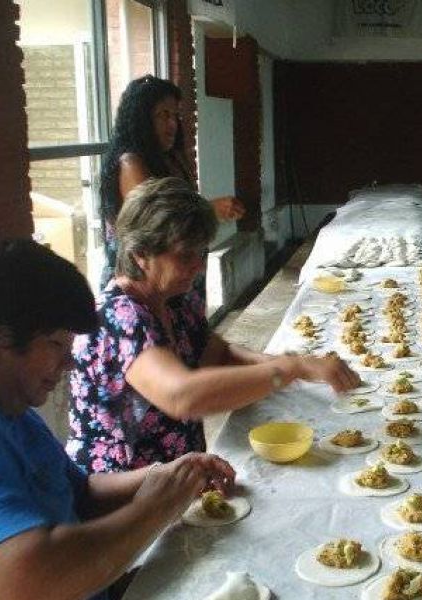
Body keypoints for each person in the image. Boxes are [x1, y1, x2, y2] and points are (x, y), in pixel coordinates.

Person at [0, 239, 236, 600]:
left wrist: (163, 476)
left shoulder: (2, 400)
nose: (70, 363)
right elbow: (18, 585)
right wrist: (157, 507)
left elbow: (78, 494)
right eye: (56, 344)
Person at [69, 176, 360, 473]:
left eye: (201, 253)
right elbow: (182, 396)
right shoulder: (119, 317)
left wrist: (297, 366)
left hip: (175, 477)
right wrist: (288, 369)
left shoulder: (175, 300)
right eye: (185, 256)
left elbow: (219, 353)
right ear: (140, 254)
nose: (198, 266)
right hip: (121, 492)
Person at [99, 74, 245, 288]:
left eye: (176, 115)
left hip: (176, 278)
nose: (172, 123)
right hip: (144, 286)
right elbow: (156, 223)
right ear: (142, 119)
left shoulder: (171, 158)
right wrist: (210, 209)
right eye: (163, 115)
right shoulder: (130, 163)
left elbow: (182, 205)